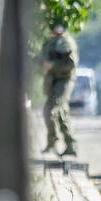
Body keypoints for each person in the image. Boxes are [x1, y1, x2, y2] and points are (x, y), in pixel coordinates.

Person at [40, 23, 78, 157]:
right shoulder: (51, 42)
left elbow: (70, 64)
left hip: (63, 80)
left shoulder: (64, 42)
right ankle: (71, 145)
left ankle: (52, 143)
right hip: (53, 81)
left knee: (50, 110)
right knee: (61, 113)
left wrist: (52, 65)